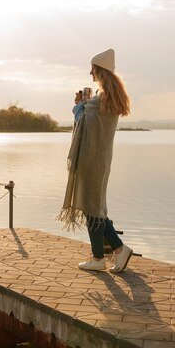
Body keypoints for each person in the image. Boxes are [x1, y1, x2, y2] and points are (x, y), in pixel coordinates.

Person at [57, 48, 133, 273]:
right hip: (101, 159)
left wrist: (78, 106)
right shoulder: (111, 98)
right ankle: (108, 254)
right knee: (95, 206)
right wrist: (84, 105)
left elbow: (84, 123)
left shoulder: (102, 100)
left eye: (93, 69)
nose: (90, 73)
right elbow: (91, 121)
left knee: (92, 207)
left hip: (91, 159)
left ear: (101, 71)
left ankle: (106, 255)